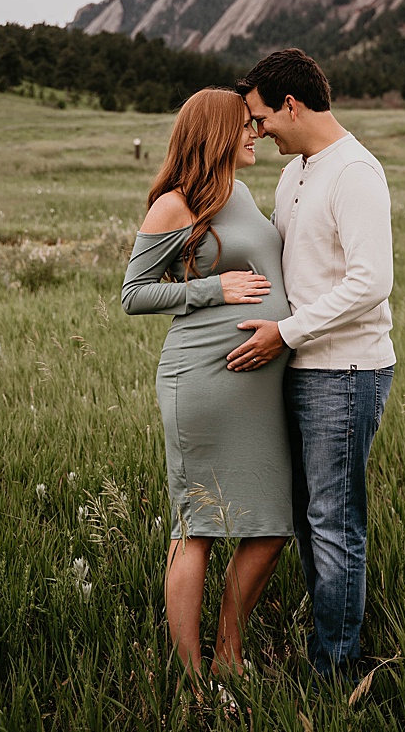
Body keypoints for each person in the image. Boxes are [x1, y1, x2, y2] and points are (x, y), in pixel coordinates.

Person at [226, 48, 396, 684]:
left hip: (345, 373)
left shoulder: (354, 172)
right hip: (300, 368)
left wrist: (286, 332)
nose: (257, 129)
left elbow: (371, 281)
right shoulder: (296, 171)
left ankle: (335, 671)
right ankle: (331, 639)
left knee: (333, 521)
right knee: (305, 518)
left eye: (260, 117)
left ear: (290, 105)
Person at [121, 87, 292, 687]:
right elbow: (133, 294)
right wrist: (211, 291)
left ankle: (229, 647)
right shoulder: (176, 205)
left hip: (257, 389)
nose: (256, 134)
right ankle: (194, 677)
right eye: (246, 127)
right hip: (201, 380)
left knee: (271, 525)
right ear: (218, 134)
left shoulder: (241, 192)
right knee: (197, 526)